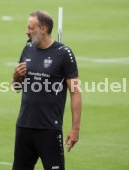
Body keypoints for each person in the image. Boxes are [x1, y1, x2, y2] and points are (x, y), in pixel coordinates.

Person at [12, 10, 82, 170]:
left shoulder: (64, 54)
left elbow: (75, 92)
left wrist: (75, 128)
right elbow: (17, 88)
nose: (26, 31)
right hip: (24, 126)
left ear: (43, 29)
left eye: (30, 28)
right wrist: (16, 76)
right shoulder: (27, 50)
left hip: (49, 129)